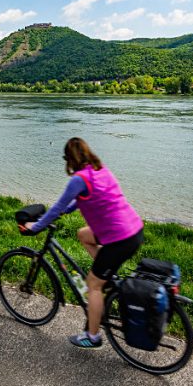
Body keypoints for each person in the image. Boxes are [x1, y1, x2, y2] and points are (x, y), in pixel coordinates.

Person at [25, 137, 144, 349]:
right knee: (83, 234)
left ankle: (93, 336)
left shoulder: (78, 179)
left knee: (92, 284)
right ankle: (107, 277)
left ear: (70, 159)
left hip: (120, 238)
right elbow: (81, 199)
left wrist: (36, 227)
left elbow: (57, 206)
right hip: (133, 229)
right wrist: (66, 210)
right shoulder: (99, 170)